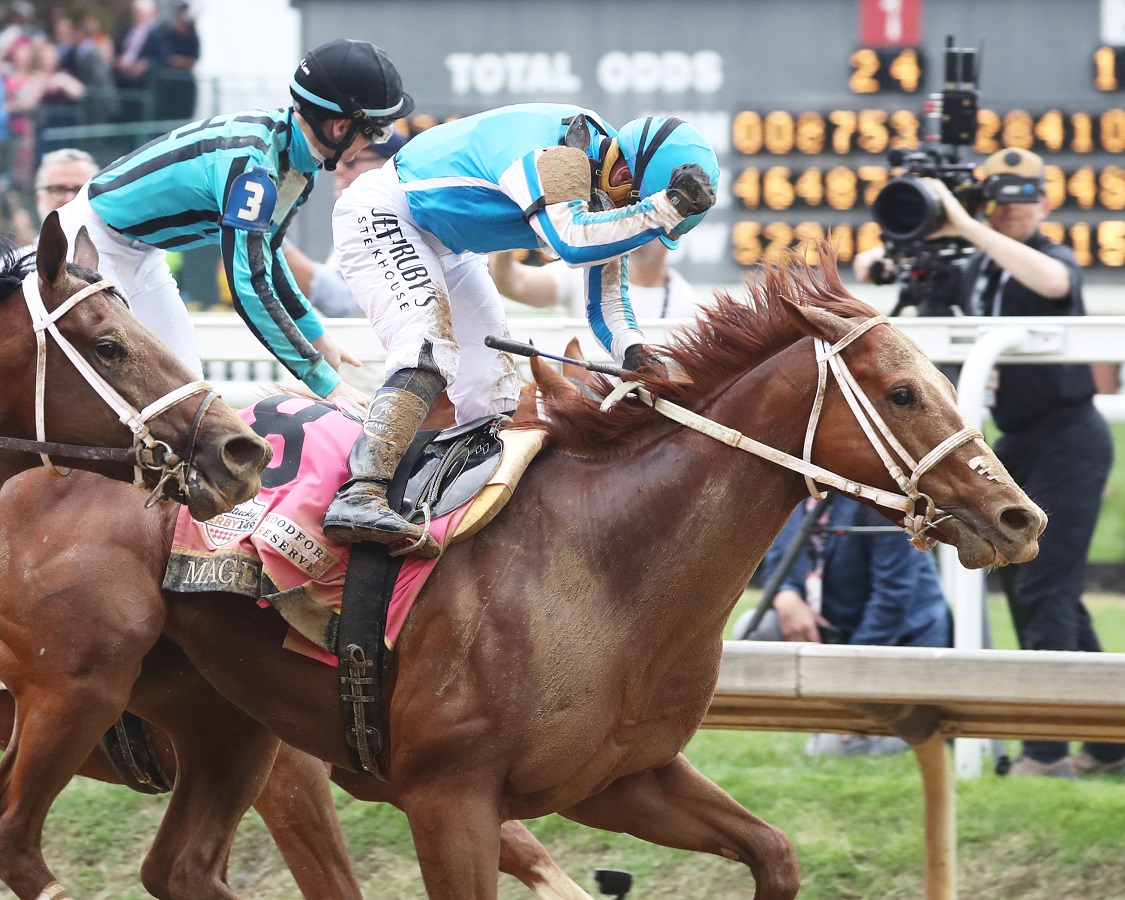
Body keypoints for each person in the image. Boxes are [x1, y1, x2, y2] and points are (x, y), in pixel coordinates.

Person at [324, 105, 718, 554]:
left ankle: (449, 514)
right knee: (427, 347)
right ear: (624, 173)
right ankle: (362, 492)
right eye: (637, 210)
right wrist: (662, 210)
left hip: (449, 244)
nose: (633, 224)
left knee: (493, 389)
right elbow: (569, 242)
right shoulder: (560, 149)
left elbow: (607, 306)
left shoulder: (608, 185)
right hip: (385, 213)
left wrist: (637, 355)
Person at [56, 38, 411, 405]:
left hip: (144, 254)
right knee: (112, 403)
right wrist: (323, 381)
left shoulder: (298, 163)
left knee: (190, 395)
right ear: (340, 127)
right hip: (90, 242)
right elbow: (249, 284)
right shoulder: (256, 167)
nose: (370, 144)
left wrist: (317, 335)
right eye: (375, 132)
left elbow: (270, 259)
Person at [920, 147, 1125, 779]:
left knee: (1046, 584)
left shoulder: (1047, 256)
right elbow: (898, 272)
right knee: (1029, 580)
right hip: (1016, 441)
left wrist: (967, 224)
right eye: (1000, 201)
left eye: (1022, 199)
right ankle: (1109, 742)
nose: (1012, 212)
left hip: (1070, 435)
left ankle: (1046, 750)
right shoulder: (977, 267)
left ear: (1044, 201)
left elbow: (1055, 284)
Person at [739, 493, 951, 757]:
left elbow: (891, 598)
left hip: (896, 644)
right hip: (833, 632)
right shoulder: (791, 493)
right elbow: (777, 562)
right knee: (755, 628)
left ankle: (919, 730)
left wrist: (850, 680)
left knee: (831, 751)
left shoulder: (882, 501)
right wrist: (785, 595)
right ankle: (825, 719)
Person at [284, 129, 408, 318]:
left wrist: (267, 238)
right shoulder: (364, 218)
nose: (337, 169)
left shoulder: (396, 224)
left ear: (391, 167)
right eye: (338, 159)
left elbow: (344, 302)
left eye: (351, 161)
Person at [488, 237, 702, 318]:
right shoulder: (584, 271)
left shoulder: (690, 308)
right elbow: (513, 283)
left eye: (653, 220)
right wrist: (510, 231)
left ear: (676, 230)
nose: (641, 232)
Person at [22, 147, 99, 250]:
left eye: (81, 190)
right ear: (38, 199)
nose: (70, 199)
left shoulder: (123, 260)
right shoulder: (17, 264)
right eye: (58, 190)